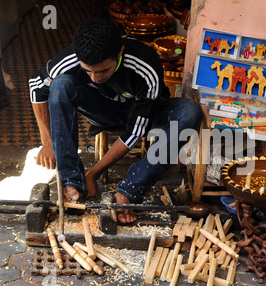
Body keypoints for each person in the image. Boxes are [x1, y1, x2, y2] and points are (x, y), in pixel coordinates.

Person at [29, 18, 202, 224]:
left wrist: (94, 173)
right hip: (103, 110)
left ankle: (129, 190)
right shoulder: (71, 58)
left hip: (145, 115)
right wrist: (47, 142)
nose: (95, 78)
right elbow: (35, 86)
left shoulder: (146, 65)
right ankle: (71, 184)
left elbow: (135, 132)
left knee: (189, 111)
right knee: (60, 85)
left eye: (103, 70)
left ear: (119, 53)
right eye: (88, 71)